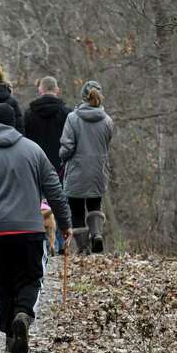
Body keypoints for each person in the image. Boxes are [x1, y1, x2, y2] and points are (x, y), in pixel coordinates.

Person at [0, 103, 73, 353]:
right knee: (31, 277)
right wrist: (65, 223)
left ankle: (9, 338)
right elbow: (54, 190)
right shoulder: (33, 150)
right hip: (29, 230)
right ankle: (23, 314)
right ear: (14, 122)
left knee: (2, 284)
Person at [60, 80, 115, 254]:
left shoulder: (73, 118)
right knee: (94, 204)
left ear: (83, 96)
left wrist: (63, 156)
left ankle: (83, 248)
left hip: (77, 169)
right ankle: (97, 234)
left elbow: (67, 147)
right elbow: (106, 144)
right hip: (98, 170)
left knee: (76, 209)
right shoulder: (107, 120)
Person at [22, 76, 71, 178]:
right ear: (57, 90)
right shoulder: (67, 114)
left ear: (40, 90)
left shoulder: (29, 114)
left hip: (36, 167)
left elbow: (23, 141)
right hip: (61, 169)